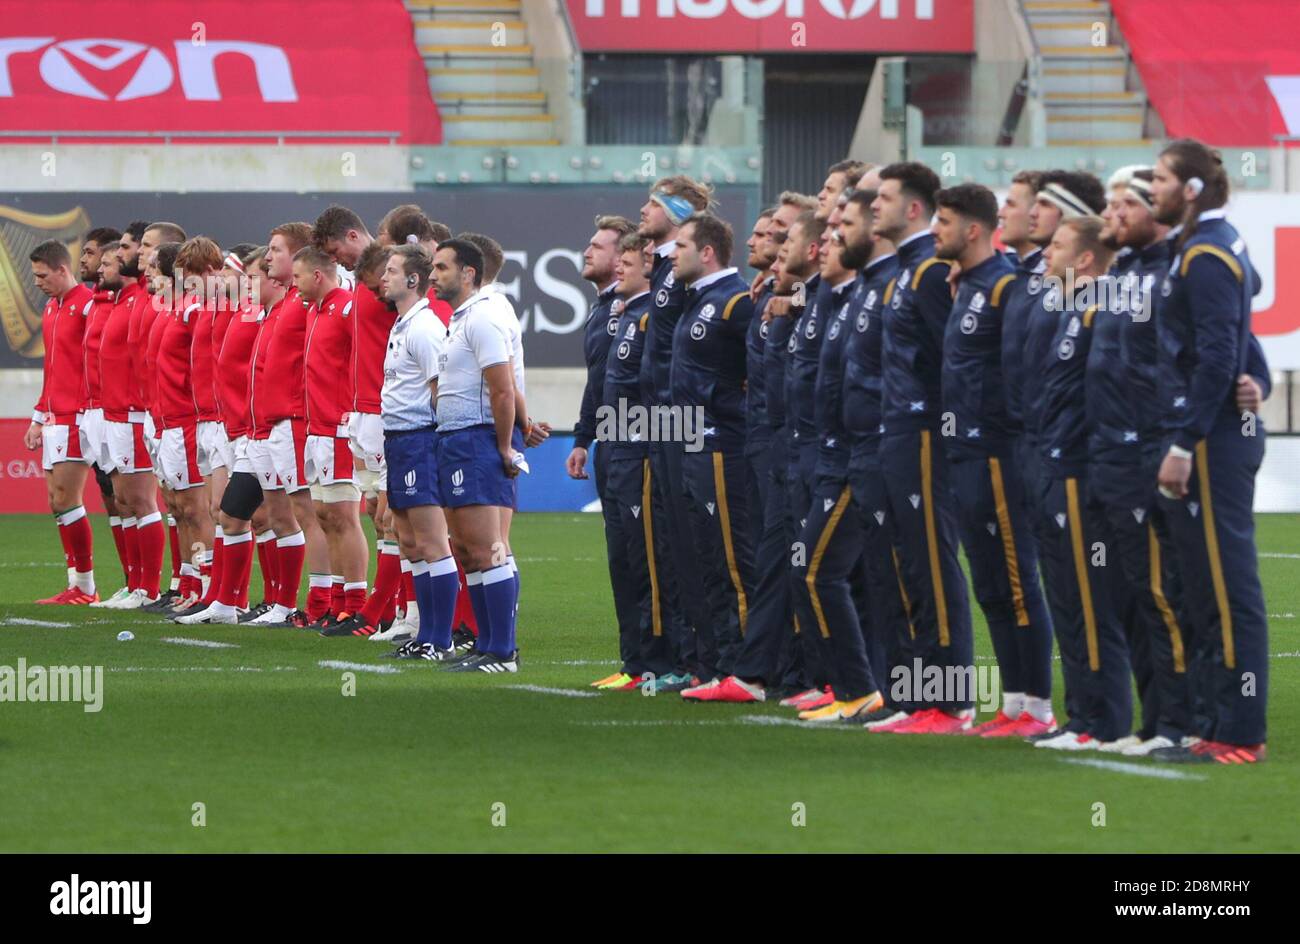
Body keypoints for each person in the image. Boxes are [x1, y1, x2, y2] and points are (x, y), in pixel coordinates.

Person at [1148, 139, 1270, 765]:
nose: (1152, 188)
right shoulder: (1202, 248)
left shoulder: (1207, 254)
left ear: (1191, 190)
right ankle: (1213, 721)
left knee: (1226, 588)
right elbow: (1237, 330)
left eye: (1162, 178)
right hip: (1210, 433)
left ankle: (1240, 731)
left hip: (1213, 442)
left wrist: (1184, 441)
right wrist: (1261, 380)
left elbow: (1220, 352)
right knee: (1200, 587)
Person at [934, 183, 1057, 737]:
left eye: (944, 222)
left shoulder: (1009, 285)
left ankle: (1038, 706)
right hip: (964, 453)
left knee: (1015, 577)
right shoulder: (967, 283)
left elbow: (1024, 369)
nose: (937, 231)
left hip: (999, 453)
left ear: (973, 230)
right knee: (988, 581)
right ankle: (1011, 704)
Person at [868, 163, 974, 734]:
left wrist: (940, 427)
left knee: (933, 567)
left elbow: (947, 360)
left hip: (927, 433)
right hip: (898, 432)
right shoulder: (907, 271)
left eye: (882, 198)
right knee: (909, 569)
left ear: (913, 208)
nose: (872, 207)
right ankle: (915, 697)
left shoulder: (932, 272)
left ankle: (952, 702)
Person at [665, 212, 758, 697]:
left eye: (679, 246)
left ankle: (749, 671)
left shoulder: (737, 301)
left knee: (733, 560)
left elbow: (760, 370)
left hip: (722, 445)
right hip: (693, 446)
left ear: (706, 252)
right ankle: (723, 666)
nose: (670, 254)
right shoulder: (697, 302)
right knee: (708, 561)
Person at [432, 238, 523, 673]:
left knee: (490, 547)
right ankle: (486, 645)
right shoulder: (461, 317)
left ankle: (504, 651)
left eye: (442, 268)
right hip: (454, 439)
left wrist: (504, 445)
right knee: (467, 551)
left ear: (468, 273)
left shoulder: (484, 316)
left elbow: (502, 388)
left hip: (478, 438)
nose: (433, 276)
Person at [569, 215, 648, 690]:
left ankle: (656, 663)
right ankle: (634, 662)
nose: (588, 252)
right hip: (610, 446)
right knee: (622, 559)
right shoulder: (604, 311)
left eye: (598, 246)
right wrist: (583, 437)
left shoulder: (634, 312)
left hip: (638, 447)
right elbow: (600, 382)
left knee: (643, 559)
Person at [375, 244, 460, 661]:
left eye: (391, 271)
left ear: (413, 280)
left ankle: (440, 639)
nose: (383, 277)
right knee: (408, 540)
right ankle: (425, 633)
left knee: (431, 541)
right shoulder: (403, 324)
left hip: (420, 439)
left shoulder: (425, 327)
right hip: (399, 441)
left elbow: (438, 388)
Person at [26, 240, 97, 604]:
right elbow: (53, 369)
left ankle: (85, 587)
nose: (37, 282)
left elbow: (95, 365)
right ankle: (77, 584)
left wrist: (89, 412)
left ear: (61, 269)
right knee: (57, 500)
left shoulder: (88, 305)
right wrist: (39, 417)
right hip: (54, 417)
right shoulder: (52, 308)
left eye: (42, 275)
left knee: (69, 497)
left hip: (76, 417)